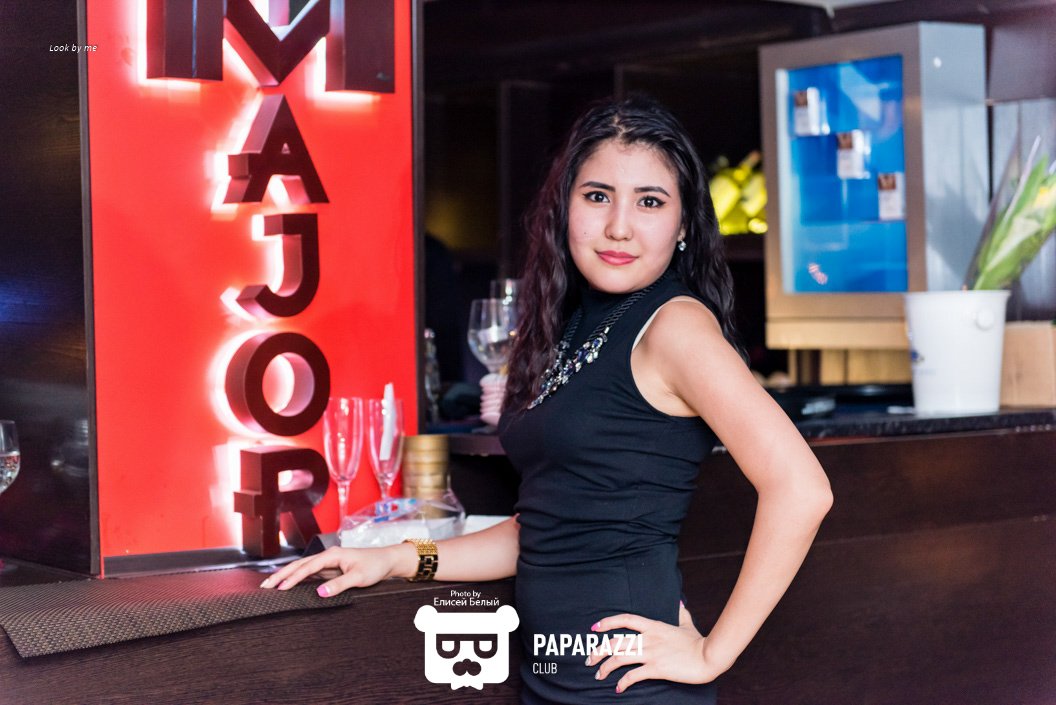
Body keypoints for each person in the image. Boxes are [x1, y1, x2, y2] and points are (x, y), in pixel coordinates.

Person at [261, 96, 833, 704]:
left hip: (628, 688)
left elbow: (802, 489)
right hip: (553, 680)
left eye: (650, 202)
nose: (619, 226)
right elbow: (545, 530)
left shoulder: (676, 327)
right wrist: (401, 559)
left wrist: (712, 653)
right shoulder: (574, 323)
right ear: (564, 206)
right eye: (597, 196)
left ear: (685, 224)